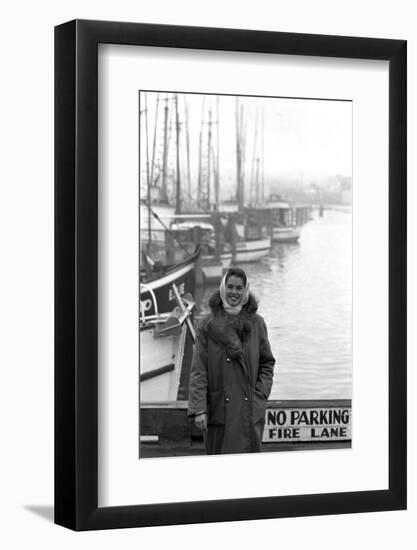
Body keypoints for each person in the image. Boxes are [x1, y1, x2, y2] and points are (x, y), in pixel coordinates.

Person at [188, 267, 276, 454]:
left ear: (245, 291)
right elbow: (199, 369)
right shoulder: (206, 325)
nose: (234, 292)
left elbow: (267, 363)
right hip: (218, 409)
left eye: (239, 288)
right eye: (230, 287)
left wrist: (259, 395)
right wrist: (199, 409)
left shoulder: (257, 323)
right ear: (222, 288)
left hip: (249, 411)